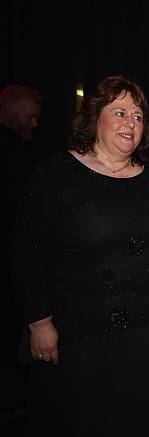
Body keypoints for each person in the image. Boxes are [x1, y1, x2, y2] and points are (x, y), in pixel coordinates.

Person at [10, 75, 149, 437]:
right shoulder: (57, 175)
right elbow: (24, 253)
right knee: (78, 433)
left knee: (134, 430)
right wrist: (39, 322)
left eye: (139, 116)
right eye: (120, 112)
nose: (131, 123)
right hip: (79, 331)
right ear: (94, 120)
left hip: (145, 330)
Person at [0, 85, 42, 367]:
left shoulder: (24, 150)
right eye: (30, 116)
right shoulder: (12, 153)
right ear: (11, 109)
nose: (34, 124)